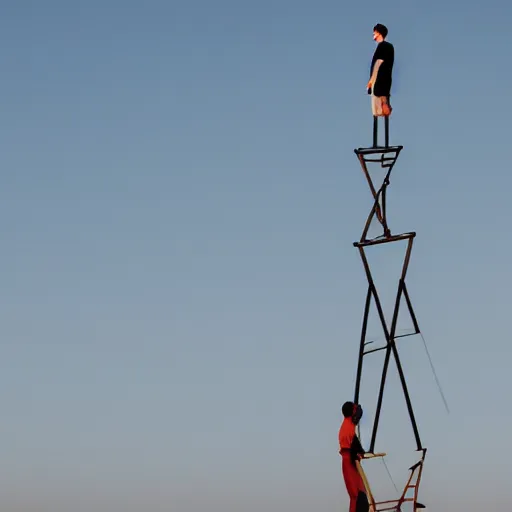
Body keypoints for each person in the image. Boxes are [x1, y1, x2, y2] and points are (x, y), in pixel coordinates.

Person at [367, 23, 394, 147]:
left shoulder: (384, 47)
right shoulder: (385, 47)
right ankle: (378, 143)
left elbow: (378, 65)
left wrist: (371, 81)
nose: (373, 34)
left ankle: (380, 144)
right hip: (382, 81)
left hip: (380, 82)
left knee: (379, 108)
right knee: (378, 111)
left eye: (375, 32)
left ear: (379, 33)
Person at [339, 401, 369, 512]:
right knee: (357, 497)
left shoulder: (348, 424)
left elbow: (354, 440)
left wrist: (360, 451)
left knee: (361, 496)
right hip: (348, 460)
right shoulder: (349, 423)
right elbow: (359, 412)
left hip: (349, 459)